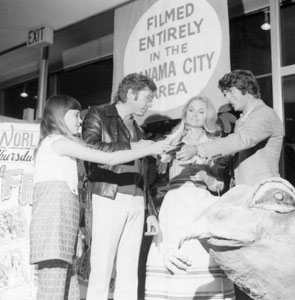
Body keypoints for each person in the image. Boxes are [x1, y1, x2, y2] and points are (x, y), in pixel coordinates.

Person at [29, 94, 170, 300]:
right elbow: (109, 156)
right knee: (53, 291)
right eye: (76, 116)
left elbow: (114, 149)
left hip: (62, 233)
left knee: (69, 291)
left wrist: (146, 145)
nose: (80, 121)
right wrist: (149, 148)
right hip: (53, 233)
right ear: (59, 115)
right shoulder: (57, 142)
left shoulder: (62, 146)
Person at [82, 73, 165, 300]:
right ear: (129, 94)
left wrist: (150, 211)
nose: (150, 104)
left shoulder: (137, 128)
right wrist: (137, 146)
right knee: (102, 267)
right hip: (108, 196)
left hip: (137, 202)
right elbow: (92, 150)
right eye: (147, 98)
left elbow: (143, 176)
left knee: (129, 271)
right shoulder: (98, 113)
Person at [145, 96, 236, 300]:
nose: (195, 115)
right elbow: (160, 166)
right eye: (191, 111)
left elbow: (221, 185)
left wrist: (206, 178)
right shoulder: (173, 140)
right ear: (185, 113)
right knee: (172, 250)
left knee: (201, 253)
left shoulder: (215, 143)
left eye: (201, 111)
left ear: (208, 115)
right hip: (176, 203)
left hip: (203, 203)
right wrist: (176, 139)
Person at [176, 69, 284, 186]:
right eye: (225, 94)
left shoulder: (265, 114)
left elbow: (242, 140)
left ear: (246, 88)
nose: (227, 99)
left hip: (262, 190)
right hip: (243, 192)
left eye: (230, 92)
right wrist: (224, 160)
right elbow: (240, 149)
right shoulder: (241, 121)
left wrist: (197, 149)